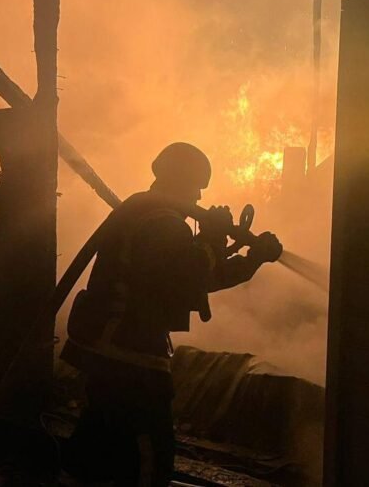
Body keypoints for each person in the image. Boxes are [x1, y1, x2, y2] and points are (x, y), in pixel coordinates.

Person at [59, 142, 283, 486]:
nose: (198, 196)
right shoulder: (163, 223)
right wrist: (211, 239)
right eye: (196, 187)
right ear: (180, 180)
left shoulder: (147, 213)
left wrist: (251, 258)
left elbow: (201, 276)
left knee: (97, 448)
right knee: (149, 456)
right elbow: (187, 279)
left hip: (111, 353)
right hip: (131, 357)